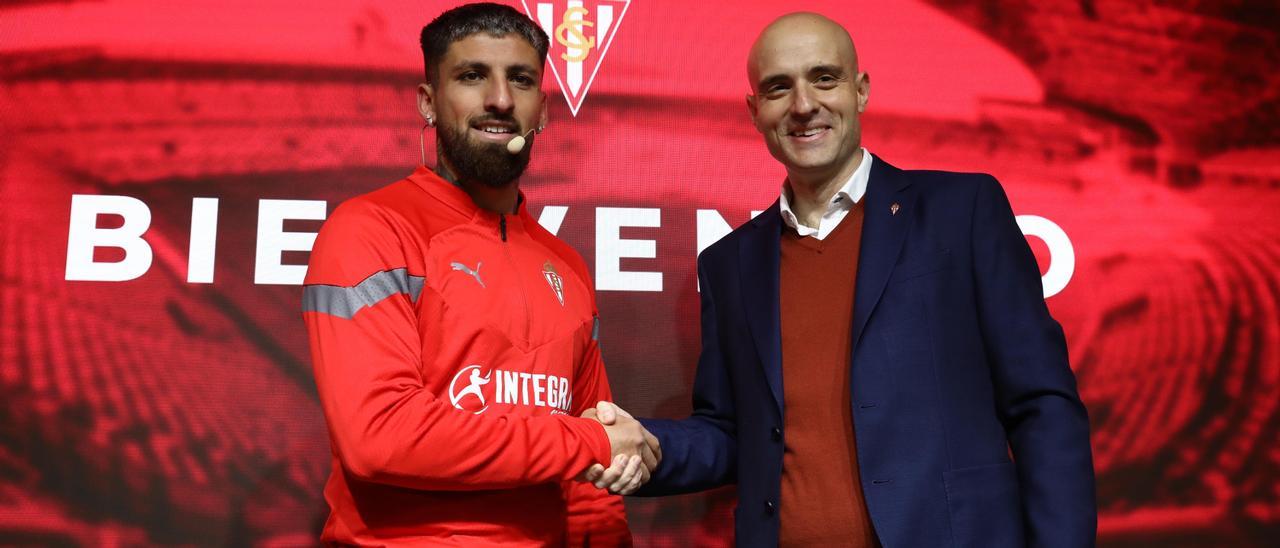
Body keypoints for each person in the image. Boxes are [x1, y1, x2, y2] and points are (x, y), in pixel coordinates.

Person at [590, 12, 1096, 548]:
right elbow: (733, 432)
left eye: (824, 78)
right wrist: (649, 447)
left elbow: (1042, 405)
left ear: (861, 91)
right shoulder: (730, 264)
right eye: (778, 87)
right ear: (755, 110)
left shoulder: (963, 211)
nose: (804, 105)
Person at [302, 3, 655, 545]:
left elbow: (591, 492)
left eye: (522, 80)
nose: (500, 100)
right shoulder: (368, 229)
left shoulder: (568, 266)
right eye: (472, 76)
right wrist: (587, 443)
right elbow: (381, 438)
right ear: (428, 101)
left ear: (542, 110)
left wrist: (597, 465)